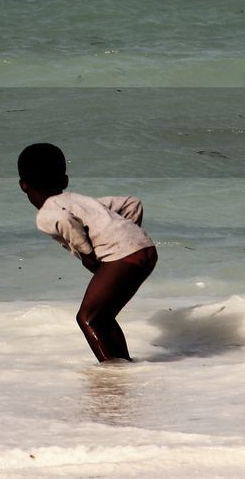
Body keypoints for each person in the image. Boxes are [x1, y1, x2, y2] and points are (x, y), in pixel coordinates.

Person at [17, 143, 157, 363]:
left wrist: (88, 254)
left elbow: (65, 221)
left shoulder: (46, 213)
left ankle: (111, 375)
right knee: (103, 317)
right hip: (146, 249)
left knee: (87, 318)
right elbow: (132, 203)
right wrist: (126, 231)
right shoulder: (85, 203)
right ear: (65, 181)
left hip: (122, 257)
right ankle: (124, 368)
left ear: (23, 185)